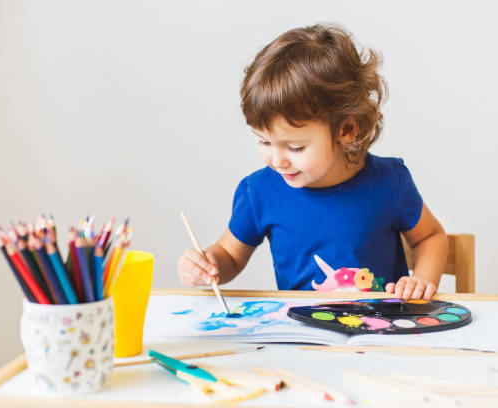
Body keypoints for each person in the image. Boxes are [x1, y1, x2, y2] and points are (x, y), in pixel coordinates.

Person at [178, 24, 448, 299]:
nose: (277, 160)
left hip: (378, 332)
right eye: (264, 142)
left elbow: (430, 237)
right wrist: (207, 264)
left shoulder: (391, 182)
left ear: (346, 130)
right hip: (302, 336)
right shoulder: (259, 192)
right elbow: (229, 256)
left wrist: (420, 281)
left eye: (295, 147)